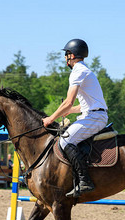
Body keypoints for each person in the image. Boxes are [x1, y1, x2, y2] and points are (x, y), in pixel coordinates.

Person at [42, 39, 108, 197]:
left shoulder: (77, 72)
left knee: (65, 141)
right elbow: (82, 105)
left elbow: (68, 101)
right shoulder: (84, 70)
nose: (65, 58)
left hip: (94, 117)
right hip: (93, 114)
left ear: (71, 55)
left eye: (66, 54)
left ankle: (85, 181)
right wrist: (70, 111)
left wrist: (50, 119)